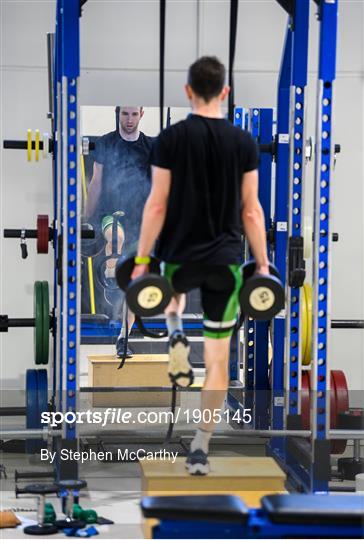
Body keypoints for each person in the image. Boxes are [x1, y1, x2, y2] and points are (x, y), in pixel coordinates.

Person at [132, 56, 269, 475]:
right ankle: (200, 447)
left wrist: (141, 262)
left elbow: (156, 204)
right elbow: (251, 212)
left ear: (188, 92)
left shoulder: (170, 140)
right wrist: (262, 265)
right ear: (224, 93)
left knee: (171, 300)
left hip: (179, 258)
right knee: (218, 362)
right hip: (225, 263)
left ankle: (174, 333)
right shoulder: (243, 142)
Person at [85, 106, 153, 358]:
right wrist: (84, 219)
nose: (129, 119)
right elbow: (96, 182)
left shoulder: (149, 146)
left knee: (133, 285)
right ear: (118, 114)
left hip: (140, 219)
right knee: (116, 236)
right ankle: (110, 272)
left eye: (134, 114)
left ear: (141, 114)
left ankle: (123, 337)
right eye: (125, 114)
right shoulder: (106, 143)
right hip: (110, 214)